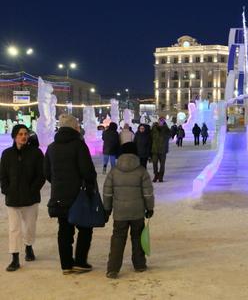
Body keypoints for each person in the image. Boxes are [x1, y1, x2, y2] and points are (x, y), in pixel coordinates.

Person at [44, 114, 97, 274]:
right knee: (85, 228)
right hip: (78, 196)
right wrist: (89, 186)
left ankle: (66, 265)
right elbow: (87, 171)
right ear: (75, 127)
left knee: (64, 230)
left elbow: (46, 172)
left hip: (59, 196)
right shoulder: (79, 145)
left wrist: (59, 184)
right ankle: (80, 261)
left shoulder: (52, 147)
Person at [103, 142, 154, 279]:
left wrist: (107, 209)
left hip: (120, 213)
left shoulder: (114, 171)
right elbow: (148, 193)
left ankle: (113, 268)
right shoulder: (141, 171)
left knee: (118, 239)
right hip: (137, 212)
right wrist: (150, 208)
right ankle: (139, 264)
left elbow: (107, 192)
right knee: (137, 237)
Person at [1, 124, 45, 272]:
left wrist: (32, 190)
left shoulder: (36, 153)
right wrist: (6, 189)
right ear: (14, 136)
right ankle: (14, 258)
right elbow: (3, 175)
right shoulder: (7, 154)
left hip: (30, 198)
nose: (23, 136)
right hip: (12, 198)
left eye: (25, 134)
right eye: (20, 134)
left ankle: (29, 246)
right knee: (14, 229)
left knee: (29, 227)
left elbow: (41, 175)